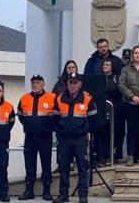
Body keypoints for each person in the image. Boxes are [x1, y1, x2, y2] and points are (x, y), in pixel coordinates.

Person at [53, 73, 98, 203]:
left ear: (80, 84)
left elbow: (93, 119)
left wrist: (84, 130)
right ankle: (63, 195)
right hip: (64, 139)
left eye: (75, 82)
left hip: (80, 139)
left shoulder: (87, 99)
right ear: (67, 84)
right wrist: (60, 131)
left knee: (82, 167)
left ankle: (82, 195)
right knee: (63, 168)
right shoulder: (60, 98)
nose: (72, 85)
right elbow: (55, 118)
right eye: (70, 82)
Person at [17, 75, 56, 200]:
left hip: (45, 137)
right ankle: (29, 191)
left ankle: (46, 191)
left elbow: (57, 115)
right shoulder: (24, 98)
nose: (35, 85)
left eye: (38, 82)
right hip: (29, 137)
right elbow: (20, 115)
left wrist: (47, 127)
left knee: (46, 163)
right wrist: (30, 126)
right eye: (33, 82)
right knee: (29, 164)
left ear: (43, 84)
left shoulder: (52, 97)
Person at [96, 58, 125, 164]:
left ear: (112, 66)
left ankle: (115, 154)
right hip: (102, 110)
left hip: (116, 109)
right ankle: (104, 155)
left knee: (117, 132)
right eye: (104, 65)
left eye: (107, 65)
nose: (105, 66)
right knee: (103, 133)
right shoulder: (99, 78)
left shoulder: (117, 78)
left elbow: (121, 90)